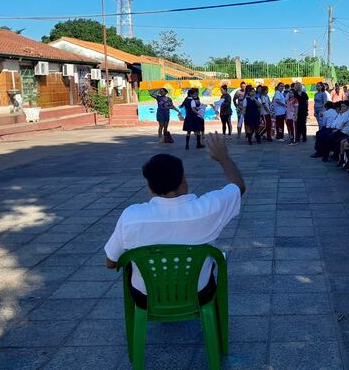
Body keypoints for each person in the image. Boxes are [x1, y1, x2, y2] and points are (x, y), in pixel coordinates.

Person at [103, 133, 246, 312]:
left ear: (150, 187)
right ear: (183, 179)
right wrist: (223, 157)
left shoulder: (131, 217)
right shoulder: (207, 209)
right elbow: (238, 186)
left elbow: (111, 262)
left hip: (146, 298)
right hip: (199, 293)